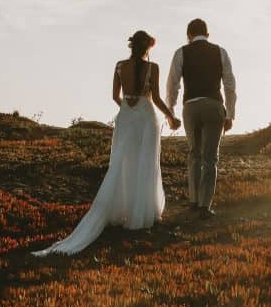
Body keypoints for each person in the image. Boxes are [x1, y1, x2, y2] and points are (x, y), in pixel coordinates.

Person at [32, 30, 180, 256]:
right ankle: (142, 214)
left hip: (127, 117)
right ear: (148, 47)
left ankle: (121, 209)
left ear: (132, 46)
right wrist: (170, 116)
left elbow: (114, 95)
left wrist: (127, 104)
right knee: (146, 163)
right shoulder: (154, 68)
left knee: (123, 163)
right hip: (146, 116)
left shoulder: (120, 66)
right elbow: (157, 98)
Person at [165, 18, 237, 219]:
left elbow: (173, 84)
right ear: (207, 34)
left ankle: (193, 201)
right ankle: (205, 206)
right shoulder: (220, 51)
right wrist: (230, 114)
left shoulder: (181, 52)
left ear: (188, 35)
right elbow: (230, 85)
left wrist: (170, 111)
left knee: (194, 154)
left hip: (191, 106)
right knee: (210, 158)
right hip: (214, 105)